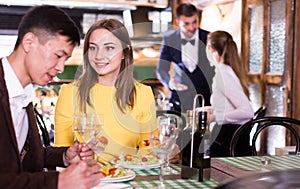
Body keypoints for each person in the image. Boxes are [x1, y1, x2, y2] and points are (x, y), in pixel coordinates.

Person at [0, 5, 103, 189]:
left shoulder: (23, 93)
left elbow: (21, 157)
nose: (61, 68)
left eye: (65, 59)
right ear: (29, 42)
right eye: (58, 55)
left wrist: (64, 156)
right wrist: (58, 181)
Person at [54, 18, 158, 162]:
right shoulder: (70, 93)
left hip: (129, 179)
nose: (98, 56)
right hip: (85, 179)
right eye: (93, 48)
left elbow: (149, 150)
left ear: (124, 52)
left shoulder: (142, 93)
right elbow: (60, 153)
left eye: (109, 48)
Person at [156, 3, 215, 113]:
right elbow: (161, 69)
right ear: (178, 22)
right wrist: (170, 83)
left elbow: (216, 68)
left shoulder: (208, 37)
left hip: (205, 98)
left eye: (194, 22)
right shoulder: (169, 39)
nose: (192, 27)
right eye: (186, 24)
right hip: (179, 97)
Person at [205, 30, 254, 157]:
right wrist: (209, 109)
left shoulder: (223, 74)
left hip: (229, 140)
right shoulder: (228, 70)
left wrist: (214, 117)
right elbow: (229, 105)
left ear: (210, 49)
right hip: (231, 136)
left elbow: (247, 112)